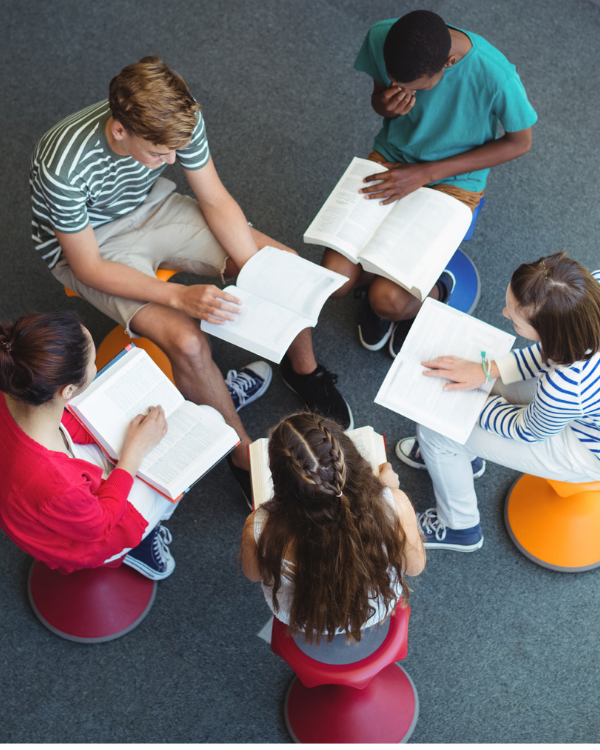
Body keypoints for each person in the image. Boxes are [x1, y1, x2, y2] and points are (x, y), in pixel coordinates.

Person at [30, 57, 352, 506]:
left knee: (283, 263)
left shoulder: (180, 121)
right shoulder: (63, 164)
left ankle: (302, 369)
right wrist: (178, 296)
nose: (172, 160)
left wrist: (258, 270)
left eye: (175, 151)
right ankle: (241, 458)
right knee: (186, 341)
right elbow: (87, 268)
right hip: (95, 246)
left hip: (155, 208)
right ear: (120, 130)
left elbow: (215, 196)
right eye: (160, 154)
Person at [322, 10, 537, 358]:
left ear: (449, 62)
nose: (406, 91)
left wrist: (426, 174)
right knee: (335, 281)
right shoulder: (383, 37)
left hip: (454, 178)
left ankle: (436, 290)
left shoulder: (497, 76)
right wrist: (386, 105)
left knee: (386, 301)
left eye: (416, 88)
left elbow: (520, 142)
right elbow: (380, 101)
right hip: (394, 155)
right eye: (398, 82)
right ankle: (391, 285)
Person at [395, 252, 600, 552]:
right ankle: (463, 456)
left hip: (587, 448)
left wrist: (473, 404)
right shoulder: (592, 289)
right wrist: (484, 371)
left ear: (551, 335)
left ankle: (458, 525)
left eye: (515, 321)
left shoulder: (566, 386)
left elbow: (527, 430)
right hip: (587, 403)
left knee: (436, 430)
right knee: (491, 389)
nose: (504, 313)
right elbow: (553, 354)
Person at [0, 310, 201, 579]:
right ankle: (136, 545)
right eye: (94, 363)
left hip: (26, 504)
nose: (97, 367)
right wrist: (135, 451)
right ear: (68, 391)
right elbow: (101, 523)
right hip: (86, 540)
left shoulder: (12, 383)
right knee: (179, 457)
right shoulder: (60, 483)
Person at [241, 412, 425, 655]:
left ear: (280, 482)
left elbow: (253, 574)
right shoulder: (395, 506)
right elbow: (415, 567)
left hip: (302, 617)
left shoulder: (259, 526)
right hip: (374, 609)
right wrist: (388, 490)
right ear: (353, 462)